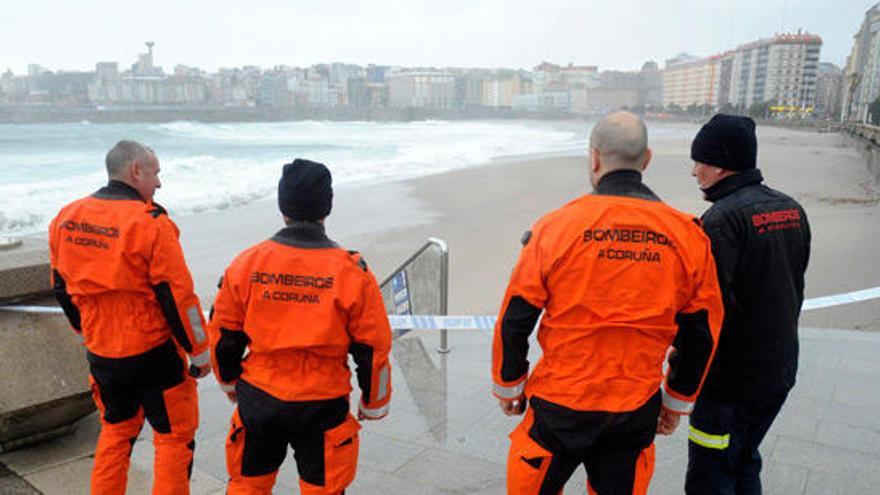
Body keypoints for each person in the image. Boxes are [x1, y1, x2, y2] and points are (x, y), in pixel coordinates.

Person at [492, 111, 724, 494]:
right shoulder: (688, 236)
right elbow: (701, 332)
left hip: (559, 406)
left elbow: (516, 317)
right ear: (646, 160)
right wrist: (676, 402)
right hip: (634, 409)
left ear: (594, 158)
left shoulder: (555, 228)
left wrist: (509, 385)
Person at [208, 159, 392, 494]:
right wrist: (374, 402)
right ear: (327, 207)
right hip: (323, 401)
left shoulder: (247, 263)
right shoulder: (351, 271)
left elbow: (223, 335)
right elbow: (373, 346)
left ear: (282, 207)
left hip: (260, 396)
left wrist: (229, 383)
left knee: (248, 486)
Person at [48, 140, 211, 494]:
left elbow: (60, 287)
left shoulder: (66, 217)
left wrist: (88, 330)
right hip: (154, 353)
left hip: (103, 353)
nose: (159, 184)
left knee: (117, 431)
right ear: (136, 171)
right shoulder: (151, 223)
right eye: (156, 173)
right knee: (173, 439)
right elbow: (178, 298)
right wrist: (200, 352)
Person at [686, 115, 811, 494]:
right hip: (779, 370)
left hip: (731, 381)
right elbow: (795, 285)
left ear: (721, 163)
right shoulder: (791, 209)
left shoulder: (720, 221)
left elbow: (708, 313)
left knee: (712, 472)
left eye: (700, 161)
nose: (695, 172)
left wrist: (682, 382)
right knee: (743, 459)